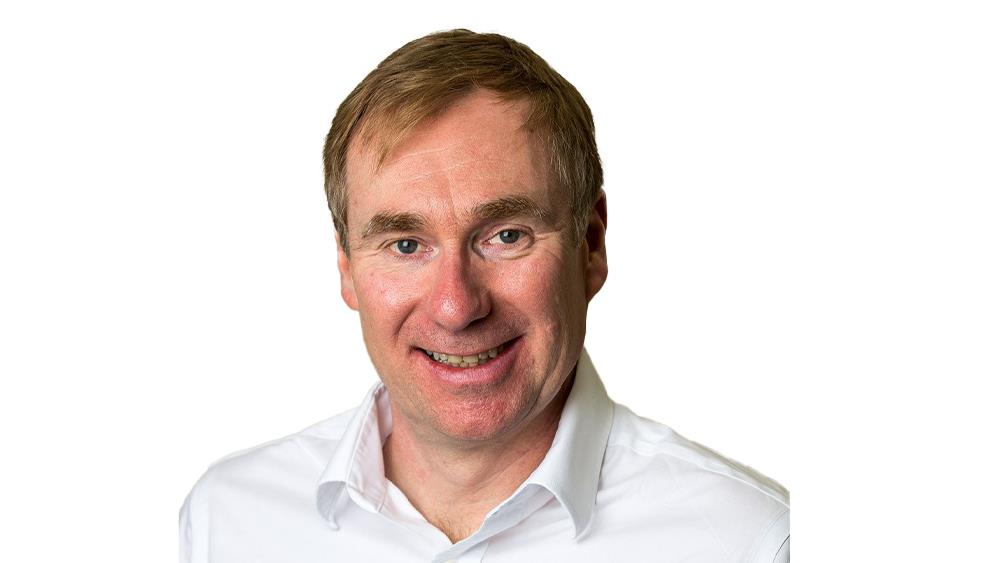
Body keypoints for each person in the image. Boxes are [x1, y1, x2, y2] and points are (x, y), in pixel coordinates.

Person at [179, 29, 789, 562]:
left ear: (591, 245)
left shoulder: (750, 542)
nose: (456, 306)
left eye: (506, 236)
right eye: (406, 244)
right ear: (346, 266)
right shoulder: (228, 519)